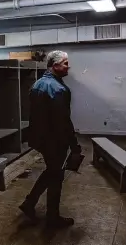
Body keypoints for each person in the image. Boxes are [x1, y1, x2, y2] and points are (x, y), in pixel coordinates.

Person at [19, 50, 82, 228]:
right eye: (65, 63)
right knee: (56, 176)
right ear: (55, 66)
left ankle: (29, 203)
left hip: (40, 139)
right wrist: (74, 145)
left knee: (52, 171)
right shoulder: (60, 89)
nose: (68, 66)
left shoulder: (37, 84)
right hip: (55, 141)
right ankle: (52, 218)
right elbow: (63, 121)